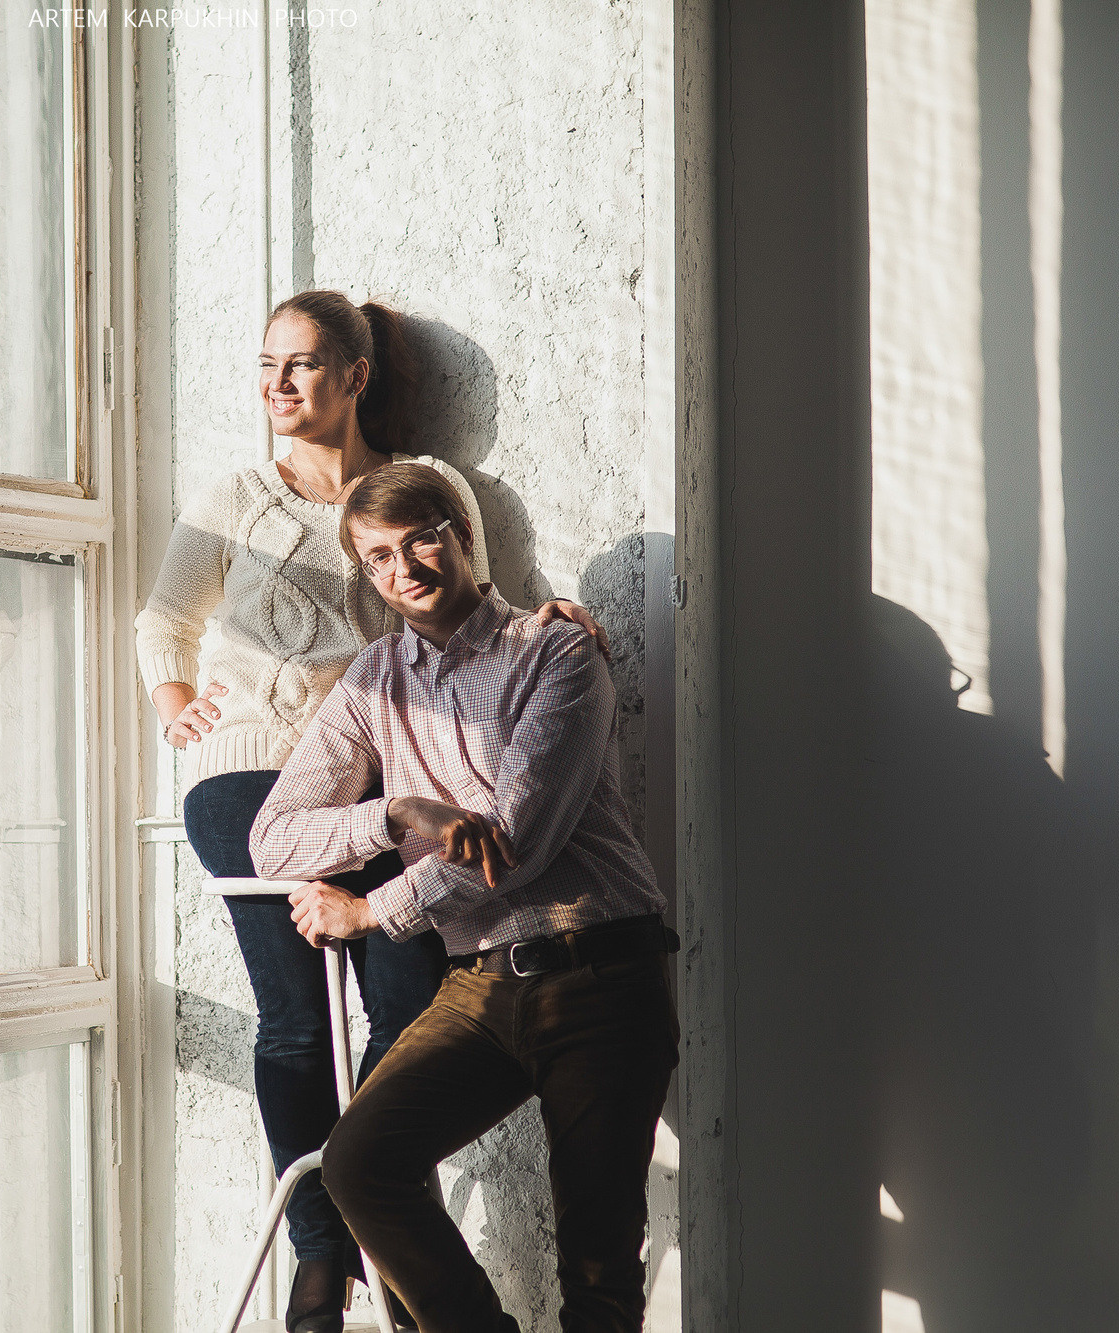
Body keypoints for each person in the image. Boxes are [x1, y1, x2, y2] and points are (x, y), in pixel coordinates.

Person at [136, 290, 602, 1332]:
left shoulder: (420, 492)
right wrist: (179, 713)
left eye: (301, 365)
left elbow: (481, 597)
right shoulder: (235, 498)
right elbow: (163, 623)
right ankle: (317, 1261)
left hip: (384, 779)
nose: (277, 386)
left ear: (355, 375)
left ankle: (394, 1237)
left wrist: (556, 615)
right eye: (265, 365)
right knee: (296, 1020)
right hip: (249, 773)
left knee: (406, 1008)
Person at [250, 464, 678, 1333]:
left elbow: (511, 842)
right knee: (361, 1161)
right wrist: (396, 812)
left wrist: (373, 911)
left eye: (420, 539)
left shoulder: (557, 650)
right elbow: (274, 837)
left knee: (598, 1268)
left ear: (462, 535)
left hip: (601, 972)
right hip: (478, 987)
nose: (402, 566)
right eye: (377, 557)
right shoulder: (373, 681)